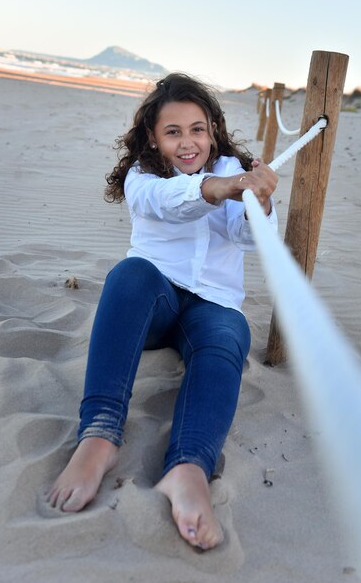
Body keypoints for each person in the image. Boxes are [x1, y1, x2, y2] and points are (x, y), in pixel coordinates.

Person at [47, 73, 278, 551]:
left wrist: (260, 200)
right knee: (129, 275)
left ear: (212, 129)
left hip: (212, 305)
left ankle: (188, 468)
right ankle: (100, 436)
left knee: (229, 333)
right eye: (172, 132)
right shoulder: (144, 176)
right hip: (152, 305)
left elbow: (246, 239)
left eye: (197, 128)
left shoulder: (233, 167)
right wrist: (217, 187)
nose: (187, 141)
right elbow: (165, 204)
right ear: (152, 137)